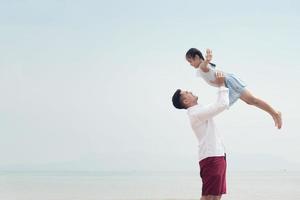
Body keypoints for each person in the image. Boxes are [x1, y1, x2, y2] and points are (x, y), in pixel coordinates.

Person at [185, 48, 282, 129]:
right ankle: (274, 113)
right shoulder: (201, 69)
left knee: (252, 100)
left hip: (229, 82)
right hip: (228, 83)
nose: (190, 64)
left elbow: (204, 65)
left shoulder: (202, 67)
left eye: (190, 61)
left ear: (197, 57)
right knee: (251, 101)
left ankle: (275, 113)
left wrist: (207, 60)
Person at [172, 72, 229, 200]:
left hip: (216, 156)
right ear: (186, 101)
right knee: (209, 196)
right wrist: (221, 84)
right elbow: (222, 104)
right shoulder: (196, 113)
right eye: (187, 92)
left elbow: (220, 104)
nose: (190, 91)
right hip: (211, 158)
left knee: (216, 196)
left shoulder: (199, 111)